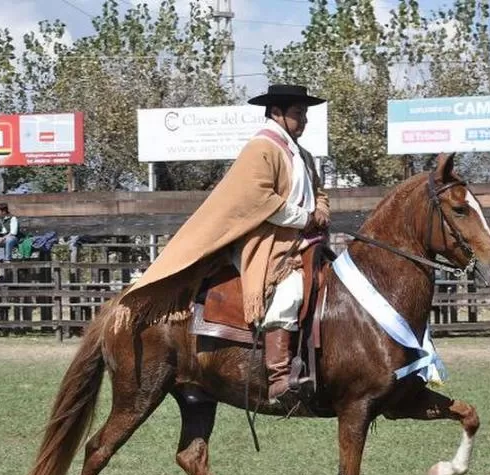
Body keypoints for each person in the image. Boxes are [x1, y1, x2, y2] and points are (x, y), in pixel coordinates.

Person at [115, 84, 330, 405]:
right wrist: (305, 217)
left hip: (304, 239)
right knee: (289, 291)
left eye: (305, 114)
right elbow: (258, 198)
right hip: (266, 242)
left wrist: (321, 210)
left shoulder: (303, 154)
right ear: (276, 113)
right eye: (299, 114)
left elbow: (319, 192)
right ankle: (279, 377)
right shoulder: (262, 148)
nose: (304, 121)